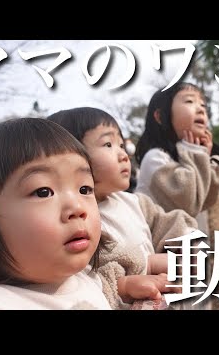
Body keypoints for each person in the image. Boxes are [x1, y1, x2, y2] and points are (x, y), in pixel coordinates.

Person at [0, 118, 173, 310]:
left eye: (85, 189)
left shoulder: (85, 279)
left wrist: (124, 287)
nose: (78, 208)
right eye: (43, 192)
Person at [47, 107, 198, 262]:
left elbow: (168, 223)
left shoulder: (135, 203)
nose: (124, 155)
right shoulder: (77, 222)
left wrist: (188, 238)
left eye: (121, 145)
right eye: (107, 144)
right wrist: (144, 269)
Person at [134, 82, 219, 236]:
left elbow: (207, 197)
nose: (200, 109)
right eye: (189, 101)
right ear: (160, 117)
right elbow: (189, 203)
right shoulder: (155, 158)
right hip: (162, 255)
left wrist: (205, 157)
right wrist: (195, 153)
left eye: (203, 105)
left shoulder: (188, 156)